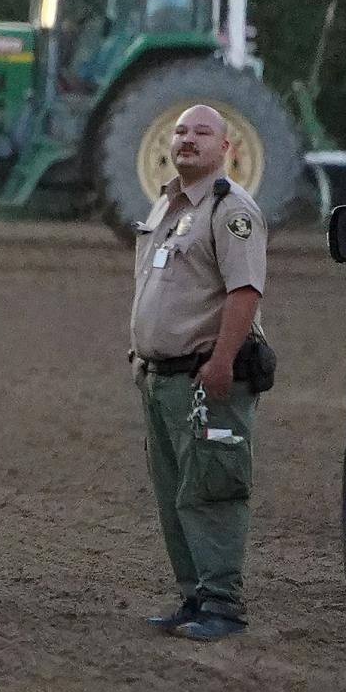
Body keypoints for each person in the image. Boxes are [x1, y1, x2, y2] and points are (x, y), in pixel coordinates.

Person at [130, 104, 267, 642]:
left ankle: (223, 605)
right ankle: (193, 596)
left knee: (212, 488)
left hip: (206, 379)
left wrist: (222, 361)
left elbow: (245, 291)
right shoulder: (166, 206)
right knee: (174, 493)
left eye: (202, 133)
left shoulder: (230, 210)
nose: (187, 140)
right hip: (161, 378)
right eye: (181, 131)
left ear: (226, 148)